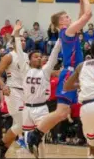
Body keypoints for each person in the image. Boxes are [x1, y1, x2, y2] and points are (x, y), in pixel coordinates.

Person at [26, 0, 92, 158]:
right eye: (66, 17)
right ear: (61, 23)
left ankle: (36, 135)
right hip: (69, 74)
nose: (69, 18)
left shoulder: (69, 30)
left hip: (74, 73)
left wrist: (80, 0)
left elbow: (80, 16)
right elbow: (87, 15)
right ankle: (34, 135)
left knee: (63, 114)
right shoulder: (68, 31)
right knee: (61, 112)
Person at [13, 21, 61, 157]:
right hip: (27, 109)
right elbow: (19, 52)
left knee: (39, 141)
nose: (39, 58)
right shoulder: (25, 69)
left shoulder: (45, 71)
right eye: (36, 57)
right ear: (29, 60)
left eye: (40, 57)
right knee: (28, 141)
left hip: (41, 109)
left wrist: (60, 37)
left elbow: (54, 55)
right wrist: (17, 33)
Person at [0, 24, 29, 159]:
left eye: (25, 40)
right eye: (21, 40)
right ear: (14, 43)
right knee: (21, 122)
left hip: (25, 92)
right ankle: (2, 146)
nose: (23, 42)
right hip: (12, 91)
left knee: (19, 124)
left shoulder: (26, 56)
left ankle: (1, 148)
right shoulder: (9, 56)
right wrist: (3, 86)